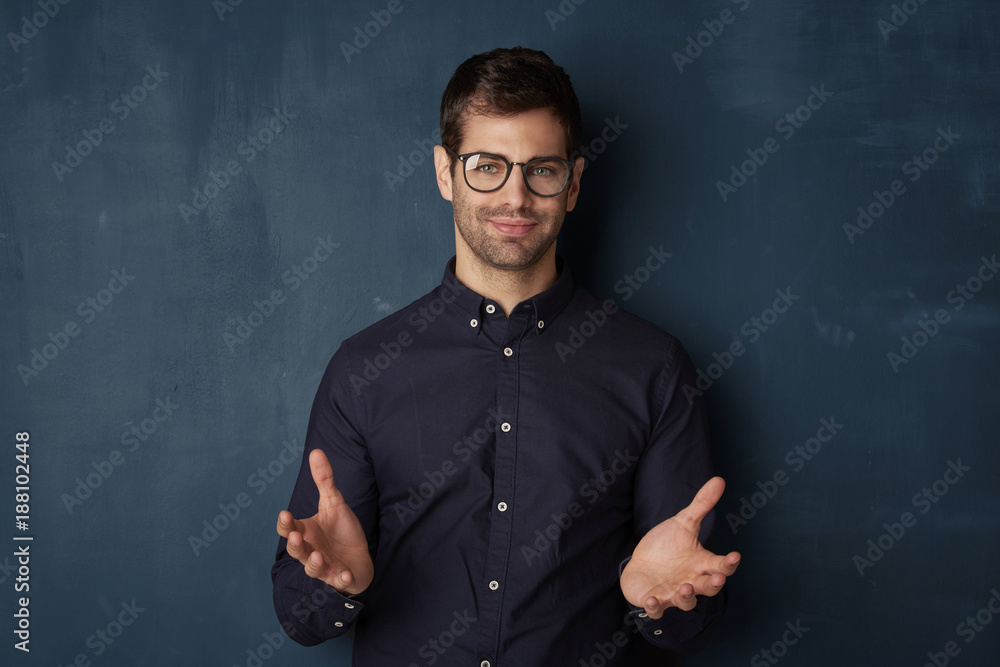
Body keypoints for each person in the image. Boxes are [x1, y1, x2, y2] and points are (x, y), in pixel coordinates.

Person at [271, 46, 740, 666]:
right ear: (445, 172)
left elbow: (690, 624)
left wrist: (658, 601)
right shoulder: (364, 370)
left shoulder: (653, 367)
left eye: (540, 169)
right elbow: (302, 621)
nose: (514, 197)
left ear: (573, 183)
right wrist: (338, 584)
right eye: (487, 166)